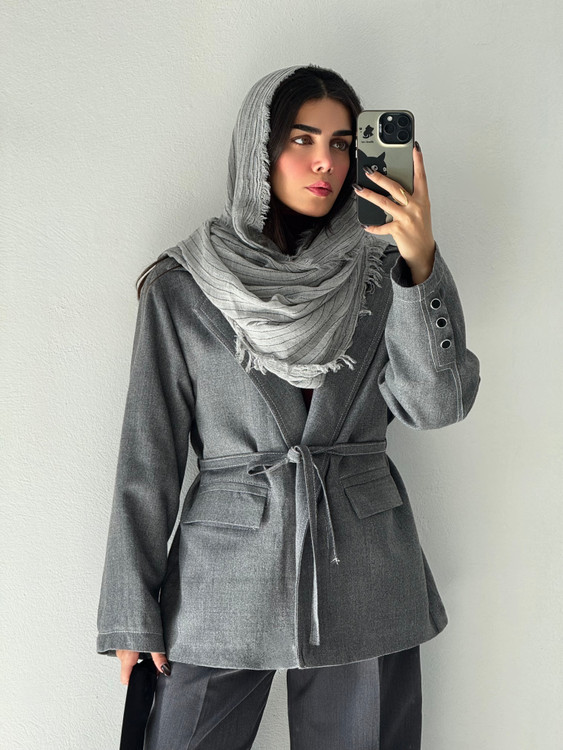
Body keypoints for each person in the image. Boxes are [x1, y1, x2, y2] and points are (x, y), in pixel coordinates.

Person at [96, 64, 480, 749]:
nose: (324, 161)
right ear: (260, 150)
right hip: (220, 577)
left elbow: (436, 405)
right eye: (302, 139)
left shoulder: (380, 274)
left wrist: (418, 262)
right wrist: (131, 611)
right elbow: (146, 459)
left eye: (341, 144)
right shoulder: (184, 287)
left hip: (366, 572)